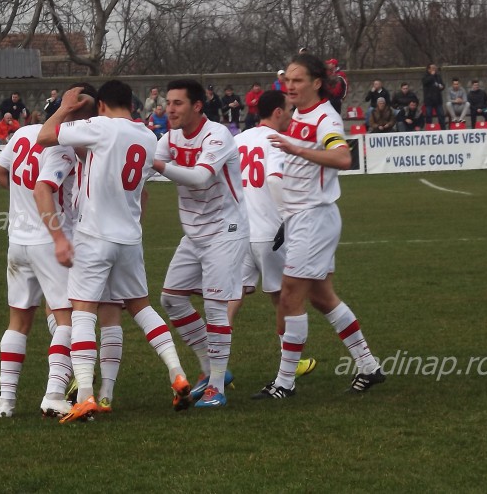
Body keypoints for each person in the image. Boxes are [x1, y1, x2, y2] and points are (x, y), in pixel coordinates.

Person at [37, 80, 193, 422]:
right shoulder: (148, 136)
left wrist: (64, 107)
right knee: (141, 307)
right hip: (129, 237)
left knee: (82, 312)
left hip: (94, 235)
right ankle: (177, 371)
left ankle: (88, 396)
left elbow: (45, 136)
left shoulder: (99, 127)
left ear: (103, 104)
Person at [257, 52, 385, 399]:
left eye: (298, 81)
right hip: (302, 218)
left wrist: (297, 151)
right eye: (288, 81)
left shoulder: (325, 119)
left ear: (316, 83)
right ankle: (369, 366)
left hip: (314, 218)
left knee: (289, 296)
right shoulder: (299, 113)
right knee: (321, 297)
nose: (290, 86)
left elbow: (343, 157)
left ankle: (284, 383)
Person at [0, 85, 98, 420]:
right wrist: (56, 234)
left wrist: (21, 200)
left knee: (18, 321)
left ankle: (5, 403)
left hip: (16, 241)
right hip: (48, 242)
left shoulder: (22, 133)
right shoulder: (60, 145)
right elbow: (45, 189)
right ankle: (53, 393)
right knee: (67, 317)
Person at [151, 78, 248, 408]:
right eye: (168, 102)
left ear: (196, 106)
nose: (170, 109)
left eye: (177, 103)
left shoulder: (217, 136)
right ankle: (210, 369)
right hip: (194, 233)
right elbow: (146, 168)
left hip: (226, 229)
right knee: (171, 299)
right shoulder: (170, 138)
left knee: (215, 306)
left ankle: (216, 388)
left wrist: (160, 165)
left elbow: (201, 176)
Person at [229, 89, 317, 379]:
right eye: (289, 111)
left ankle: (213, 362)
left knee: (233, 296)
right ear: (277, 112)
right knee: (282, 297)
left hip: (240, 231)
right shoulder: (278, 142)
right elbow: (275, 179)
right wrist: (286, 217)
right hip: (269, 233)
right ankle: (289, 362)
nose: (291, 116)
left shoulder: (237, 140)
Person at [422, 63, 446, 129]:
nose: (434, 70)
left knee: (441, 115)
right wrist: (432, 76)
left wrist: (442, 87)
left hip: (438, 100)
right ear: (429, 69)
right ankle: (429, 129)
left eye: (435, 68)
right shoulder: (425, 76)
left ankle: (443, 129)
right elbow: (425, 82)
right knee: (429, 115)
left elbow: (443, 85)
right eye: (432, 68)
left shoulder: (438, 76)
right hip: (429, 100)